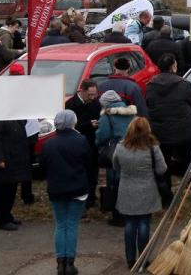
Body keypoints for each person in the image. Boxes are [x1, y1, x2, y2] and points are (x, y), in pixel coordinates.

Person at [40, 110, 90, 275]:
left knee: (60, 225)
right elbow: (89, 164)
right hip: (78, 189)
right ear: (72, 123)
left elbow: (42, 168)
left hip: (56, 189)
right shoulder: (82, 141)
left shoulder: (49, 144)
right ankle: (70, 262)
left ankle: (60, 263)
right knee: (72, 225)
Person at [112, 117, 166, 269]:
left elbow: (115, 166)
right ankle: (143, 259)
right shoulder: (152, 147)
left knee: (129, 224)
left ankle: (130, 259)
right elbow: (162, 169)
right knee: (144, 223)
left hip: (126, 189)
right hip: (147, 189)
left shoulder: (121, 147)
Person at [144, 54, 191, 207]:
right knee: (190, 163)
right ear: (174, 66)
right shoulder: (183, 84)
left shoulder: (151, 85)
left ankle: (166, 197)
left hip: (160, 132)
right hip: (184, 130)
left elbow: (149, 104)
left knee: (162, 165)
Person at [95, 90, 137, 226]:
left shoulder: (106, 116)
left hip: (114, 152)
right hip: (132, 150)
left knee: (114, 182)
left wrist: (97, 141)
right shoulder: (132, 114)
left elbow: (103, 135)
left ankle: (118, 216)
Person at [0, 118, 32, 231]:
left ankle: (7, 216)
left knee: (11, 188)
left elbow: (23, 123)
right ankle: (1, 220)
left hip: (14, 158)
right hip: (3, 160)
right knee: (1, 191)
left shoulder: (13, 115)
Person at [64, 80, 101, 208]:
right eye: (90, 94)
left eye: (94, 94)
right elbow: (69, 127)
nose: (92, 97)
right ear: (82, 91)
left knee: (92, 173)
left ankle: (91, 198)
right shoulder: (70, 105)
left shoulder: (96, 103)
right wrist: (88, 125)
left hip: (92, 144)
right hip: (76, 144)